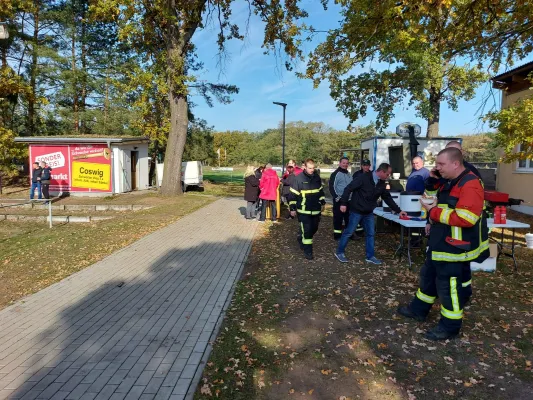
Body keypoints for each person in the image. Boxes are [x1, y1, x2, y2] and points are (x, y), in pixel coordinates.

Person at [397, 147, 489, 341]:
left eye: (441, 164)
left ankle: (450, 327)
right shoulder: (449, 180)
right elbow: (431, 198)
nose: (436, 167)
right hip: (441, 241)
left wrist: (433, 213)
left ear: (455, 164)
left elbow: (467, 218)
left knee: (448, 287)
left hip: (455, 247)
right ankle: (418, 310)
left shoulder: (470, 184)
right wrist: (432, 181)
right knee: (428, 276)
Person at [335, 163, 407, 264]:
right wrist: (343, 203)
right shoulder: (363, 178)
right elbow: (348, 188)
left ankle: (370, 256)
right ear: (381, 172)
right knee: (349, 232)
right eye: (387, 174)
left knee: (370, 234)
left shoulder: (382, 183)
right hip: (356, 211)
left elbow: (387, 198)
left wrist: (399, 211)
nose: (388, 176)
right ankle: (339, 252)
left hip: (368, 212)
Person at [289, 159, 326, 260]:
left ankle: (301, 237)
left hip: (316, 210)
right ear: (304, 167)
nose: (312, 170)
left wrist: (322, 202)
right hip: (303, 211)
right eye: (309, 168)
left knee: (314, 229)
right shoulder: (298, 178)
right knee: (308, 231)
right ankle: (308, 251)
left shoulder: (316, 177)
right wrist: (292, 208)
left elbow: (320, 191)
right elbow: (292, 195)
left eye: (313, 168)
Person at [329, 157, 352, 239]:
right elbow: (332, 187)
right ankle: (337, 235)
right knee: (338, 218)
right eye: (343, 163)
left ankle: (348, 234)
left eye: (347, 163)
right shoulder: (335, 174)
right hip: (339, 200)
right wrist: (337, 198)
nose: (345, 164)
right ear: (340, 163)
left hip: (348, 201)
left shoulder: (349, 174)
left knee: (348, 218)